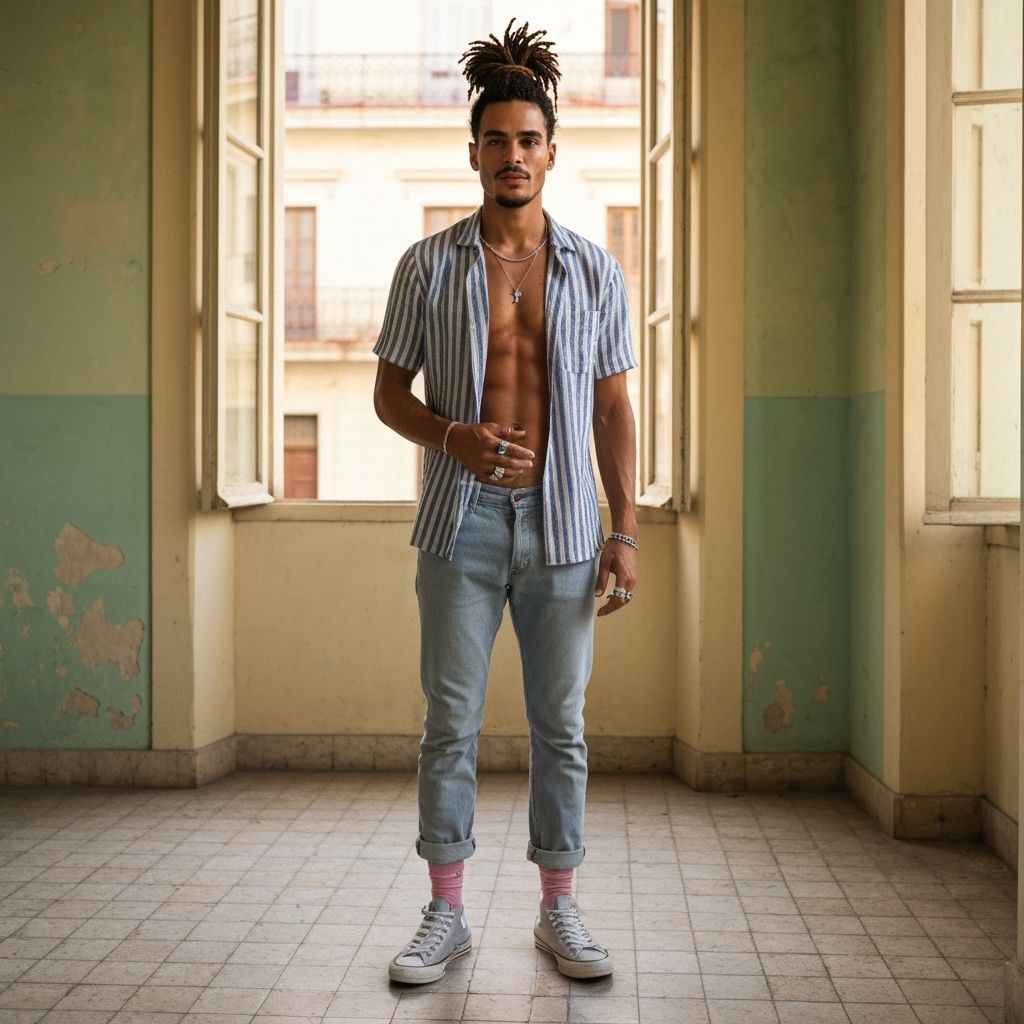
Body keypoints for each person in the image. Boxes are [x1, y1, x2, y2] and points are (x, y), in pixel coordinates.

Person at [372, 20, 638, 985]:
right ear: (474, 152)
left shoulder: (596, 270)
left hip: (565, 528)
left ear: (552, 152)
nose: (513, 155)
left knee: (559, 726)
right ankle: (445, 914)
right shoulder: (428, 266)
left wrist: (625, 531)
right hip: (462, 524)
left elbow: (612, 408)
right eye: (497, 140)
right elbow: (388, 394)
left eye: (529, 140)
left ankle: (558, 910)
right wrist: (454, 436)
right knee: (449, 723)